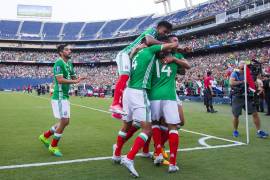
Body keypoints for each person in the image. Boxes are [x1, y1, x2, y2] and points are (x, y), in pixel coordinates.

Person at [113, 40, 178, 178]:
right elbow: (172, 45)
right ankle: (129, 158)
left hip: (128, 91)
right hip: (139, 92)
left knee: (127, 125)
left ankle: (117, 153)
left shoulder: (136, 53)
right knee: (147, 129)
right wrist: (169, 44)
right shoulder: (150, 50)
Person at [109, 21, 173, 115]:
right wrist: (164, 44)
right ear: (159, 28)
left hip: (131, 57)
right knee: (125, 75)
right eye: (165, 31)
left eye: (167, 33)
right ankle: (115, 104)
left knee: (127, 83)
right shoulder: (152, 31)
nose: (165, 33)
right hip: (125, 54)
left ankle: (118, 109)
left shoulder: (155, 38)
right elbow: (148, 40)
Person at [148, 35, 191, 172]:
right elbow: (186, 67)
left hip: (154, 95)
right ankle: (171, 162)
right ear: (168, 44)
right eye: (174, 41)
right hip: (169, 95)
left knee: (156, 123)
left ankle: (159, 152)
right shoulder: (175, 56)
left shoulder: (154, 55)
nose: (176, 43)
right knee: (173, 126)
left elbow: (183, 70)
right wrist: (176, 59)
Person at [38, 44, 85, 157]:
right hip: (59, 96)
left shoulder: (69, 63)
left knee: (65, 122)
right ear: (61, 52)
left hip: (64, 96)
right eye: (67, 49)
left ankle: (45, 136)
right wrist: (75, 82)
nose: (70, 51)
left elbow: (73, 77)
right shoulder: (58, 63)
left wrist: (79, 78)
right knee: (64, 121)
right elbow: (59, 79)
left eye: (70, 49)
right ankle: (53, 146)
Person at [229, 61, 268, 138]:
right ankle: (235, 131)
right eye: (242, 64)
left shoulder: (249, 74)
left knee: (255, 113)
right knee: (236, 115)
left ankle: (259, 131)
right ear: (239, 65)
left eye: (245, 65)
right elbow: (231, 83)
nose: (244, 66)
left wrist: (256, 86)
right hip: (238, 96)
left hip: (248, 96)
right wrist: (242, 81)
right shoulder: (235, 73)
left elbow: (254, 83)